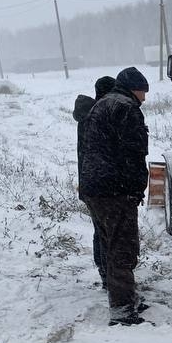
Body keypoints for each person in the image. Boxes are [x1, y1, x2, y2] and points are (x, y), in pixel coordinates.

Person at [80, 66, 150, 326]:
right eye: (143, 92)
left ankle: (123, 297)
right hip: (115, 190)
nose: (144, 98)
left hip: (96, 188)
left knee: (110, 244)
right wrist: (133, 189)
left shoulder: (103, 104)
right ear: (134, 88)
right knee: (122, 248)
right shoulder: (125, 108)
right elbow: (133, 153)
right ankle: (122, 310)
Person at [73, 75, 115, 288]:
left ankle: (106, 274)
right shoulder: (97, 117)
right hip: (99, 185)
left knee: (100, 231)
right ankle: (108, 277)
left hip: (89, 183)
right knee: (106, 234)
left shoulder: (87, 115)